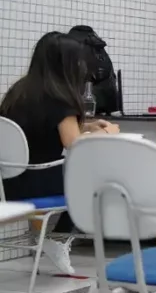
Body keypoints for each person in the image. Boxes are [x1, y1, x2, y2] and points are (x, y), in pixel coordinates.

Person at [0, 31, 120, 274]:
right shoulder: (60, 98)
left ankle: (55, 239)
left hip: (11, 184)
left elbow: (40, 127)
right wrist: (109, 132)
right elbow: (74, 144)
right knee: (102, 181)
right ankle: (58, 238)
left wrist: (87, 125)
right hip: (41, 186)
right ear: (67, 65)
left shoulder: (18, 92)